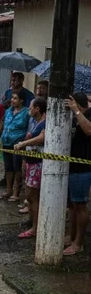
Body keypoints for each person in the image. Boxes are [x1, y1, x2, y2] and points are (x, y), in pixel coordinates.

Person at [14, 97, 46, 239]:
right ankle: (32, 222)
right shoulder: (34, 121)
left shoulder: (45, 122)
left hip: (38, 163)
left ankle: (36, 227)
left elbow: (41, 138)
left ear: (37, 109)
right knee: (29, 196)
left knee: (33, 195)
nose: (29, 109)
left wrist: (23, 143)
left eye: (32, 107)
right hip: (30, 161)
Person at [63, 93, 91, 255]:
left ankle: (78, 242)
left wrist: (77, 111)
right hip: (70, 165)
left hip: (83, 166)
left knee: (80, 205)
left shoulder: (86, 115)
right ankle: (70, 236)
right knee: (71, 205)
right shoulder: (73, 117)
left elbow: (88, 130)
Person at [0, 90, 30, 202]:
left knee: (17, 168)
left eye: (15, 98)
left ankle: (16, 193)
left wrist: (24, 143)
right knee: (8, 168)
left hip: (18, 144)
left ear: (21, 100)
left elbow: (29, 129)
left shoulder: (26, 112)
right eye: (12, 98)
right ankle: (8, 190)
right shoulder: (8, 111)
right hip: (6, 142)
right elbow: (3, 124)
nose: (12, 100)